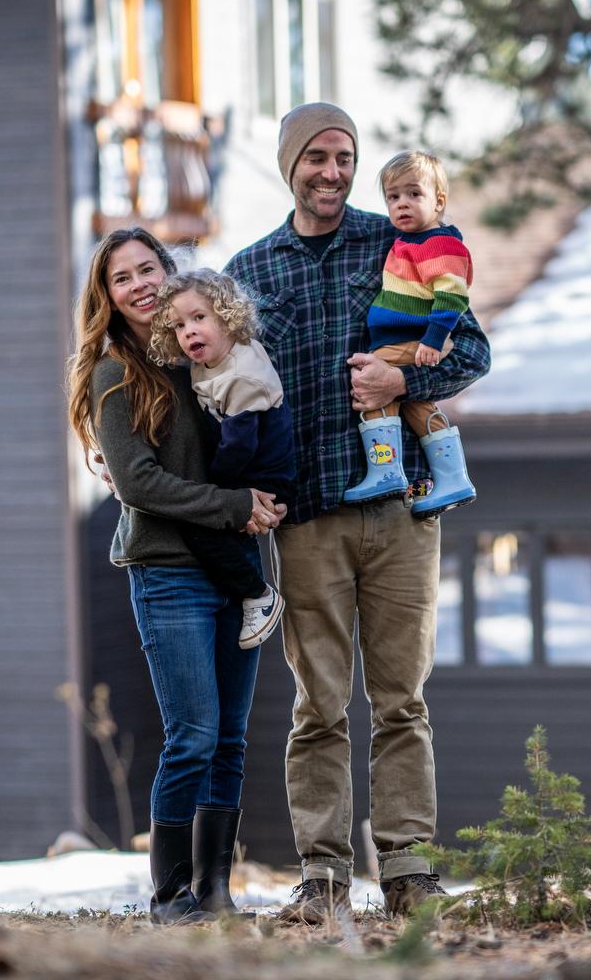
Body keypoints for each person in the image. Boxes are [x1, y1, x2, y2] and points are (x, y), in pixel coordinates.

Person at [223, 103, 491, 922]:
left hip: (404, 510)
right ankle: (325, 876)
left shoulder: (400, 240)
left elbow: (472, 350)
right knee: (320, 707)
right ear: (289, 166)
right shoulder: (251, 270)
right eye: (317, 158)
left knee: (403, 699)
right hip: (307, 519)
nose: (332, 172)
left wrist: (403, 383)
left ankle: (408, 870)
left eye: (344, 157)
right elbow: (222, 391)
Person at [65, 227, 286, 924]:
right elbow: (139, 483)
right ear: (106, 297)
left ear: (170, 271)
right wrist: (234, 504)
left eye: (147, 268)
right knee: (191, 735)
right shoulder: (114, 374)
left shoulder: (202, 352)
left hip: (238, 569)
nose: (138, 285)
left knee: (230, 739)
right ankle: (170, 897)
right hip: (169, 573)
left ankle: (216, 893)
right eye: (120, 278)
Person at [148, 268, 297, 649]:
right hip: (247, 464)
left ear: (228, 317)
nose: (189, 332)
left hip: (265, 473)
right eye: (179, 326)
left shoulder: (242, 376)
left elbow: (239, 447)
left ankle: (257, 595)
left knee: (200, 526)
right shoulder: (214, 359)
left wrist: (212, 492)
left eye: (199, 318)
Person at [343, 149, 477, 517]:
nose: (402, 203)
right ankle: (453, 478)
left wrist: (433, 340)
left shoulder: (440, 244)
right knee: (420, 409)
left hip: (407, 341)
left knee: (373, 390)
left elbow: (452, 296)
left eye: (414, 194)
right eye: (393, 196)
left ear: (439, 201)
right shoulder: (408, 241)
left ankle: (385, 469)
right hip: (401, 340)